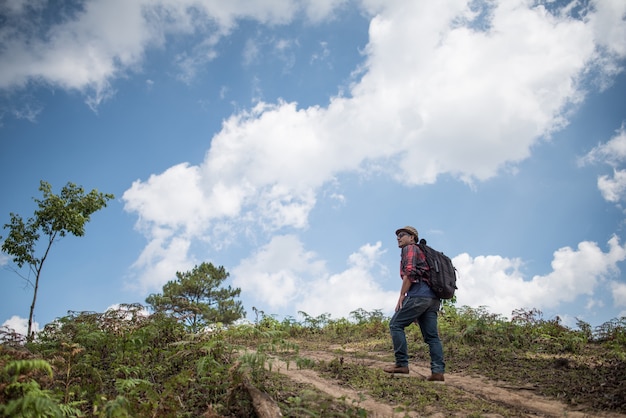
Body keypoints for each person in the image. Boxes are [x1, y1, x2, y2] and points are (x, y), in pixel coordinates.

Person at [383, 225, 445, 381]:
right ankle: (438, 372)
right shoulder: (422, 252)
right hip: (433, 299)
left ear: (412, 238)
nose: (398, 237)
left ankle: (401, 364)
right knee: (432, 337)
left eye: (402, 234)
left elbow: (410, 272)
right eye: (397, 235)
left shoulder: (410, 248)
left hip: (419, 294)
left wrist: (402, 295)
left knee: (395, 325)